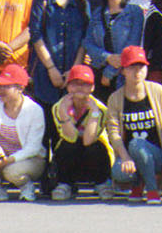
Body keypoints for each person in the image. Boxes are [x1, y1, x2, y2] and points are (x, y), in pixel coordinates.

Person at [105, 47, 162, 205]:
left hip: (155, 156)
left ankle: (151, 190)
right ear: (123, 71)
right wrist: (125, 158)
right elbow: (114, 134)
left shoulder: (157, 90)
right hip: (130, 157)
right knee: (119, 172)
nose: (137, 72)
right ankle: (137, 184)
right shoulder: (115, 98)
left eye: (141, 67)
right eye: (132, 67)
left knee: (137, 144)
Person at [44, 65, 112, 200]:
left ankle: (101, 183)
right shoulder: (58, 107)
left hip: (95, 156)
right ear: (68, 86)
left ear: (92, 87)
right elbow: (71, 137)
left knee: (95, 147)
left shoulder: (101, 109)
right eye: (75, 84)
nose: (80, 88)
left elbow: (88, 140)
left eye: (85, 84)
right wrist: (64, 113)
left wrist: (94, 114)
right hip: (71, 153)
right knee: (67, 146)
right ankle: (65, 184)